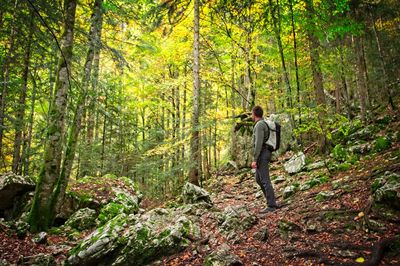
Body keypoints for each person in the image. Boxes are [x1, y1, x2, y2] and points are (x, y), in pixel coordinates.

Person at [251, 105, 278, 213]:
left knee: (265, 179)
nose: (251, 116)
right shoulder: (261, 124)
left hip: (263, 154)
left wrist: (254, 158)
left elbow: (258, 143)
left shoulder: (259, 125)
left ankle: (271, 205)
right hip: (264, 153)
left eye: (251, 114)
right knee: (258, 179)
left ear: (254, 114)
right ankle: (270, 201)